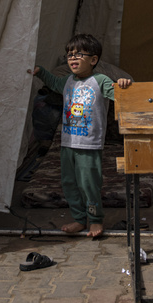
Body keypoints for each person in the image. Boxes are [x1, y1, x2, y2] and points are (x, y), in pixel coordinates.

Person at [32, 33, 132, 238]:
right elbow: (53, 83)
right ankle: (79, 218)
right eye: (69, 55)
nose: (73, 58)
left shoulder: (100, 80)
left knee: (89, 184)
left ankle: (95, 219)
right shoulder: (68, 81)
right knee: (69, 183)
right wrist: (41, 72)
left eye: (79, 54)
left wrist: (122, 84)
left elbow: (119, 95)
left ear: (93, 60)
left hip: (90, 145)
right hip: (67, 143)